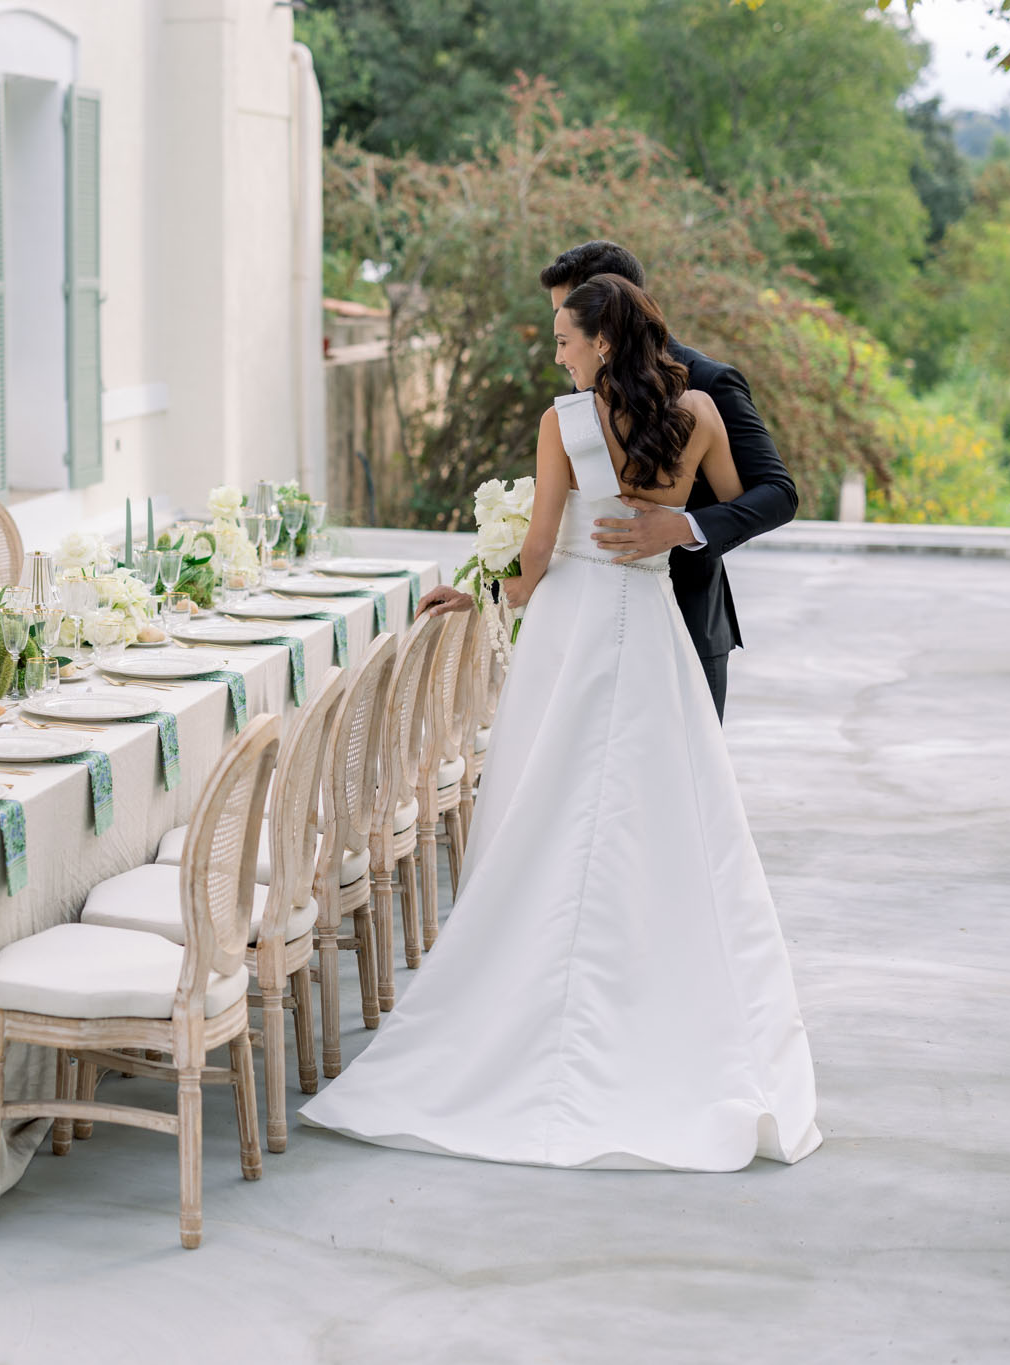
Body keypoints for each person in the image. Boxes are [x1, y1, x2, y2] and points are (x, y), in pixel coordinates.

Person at [299, 273, 822, 1172]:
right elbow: (734, 496)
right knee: (658, 814)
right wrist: (674, 523)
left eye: (564, 337)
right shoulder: (698, 412)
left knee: (546, 800)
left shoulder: (564, 422)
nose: (557, 353)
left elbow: (538, 551)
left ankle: (526, 990)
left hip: (572, 625)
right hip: (650, 623)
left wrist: (482, 595)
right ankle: (657, 996)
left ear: (602, 340)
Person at [415, 241, 797, 720]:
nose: (561, 348)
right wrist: (482, 590)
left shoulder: (709, 384)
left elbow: (778, 495)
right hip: (580, 624)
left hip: (685, 619)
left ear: (605, 322)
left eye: (569, 319)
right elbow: (567, 530)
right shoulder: (582, 391)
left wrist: (683, 527)